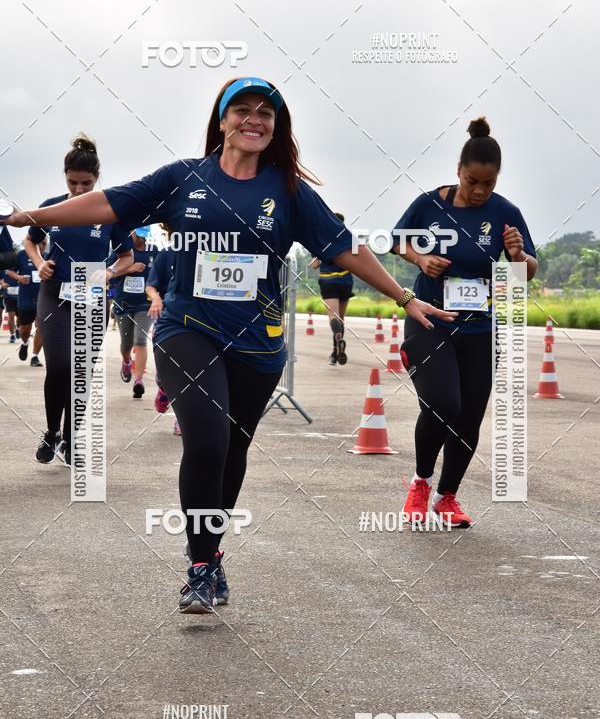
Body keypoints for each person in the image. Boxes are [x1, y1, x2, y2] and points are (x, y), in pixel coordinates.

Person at [5, 77, 456, 612]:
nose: (254, 120)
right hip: (186, 329)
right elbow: (107, 203)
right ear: (222, 122)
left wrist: (404, 296)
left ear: (276, 126)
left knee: (234, 449)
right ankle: (198, 568)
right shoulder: (182, 179)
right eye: (242, 110)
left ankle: (212, 554)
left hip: (258, 343)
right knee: (208, 439)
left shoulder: (288, 192)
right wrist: (30, 217)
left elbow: (345, 248)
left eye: (266, 113)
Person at [392, 117, 538, 528]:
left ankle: (447, 497)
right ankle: (420, 483)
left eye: (488, 184)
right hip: (429, 321)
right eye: (473, 181)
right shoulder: (429, 204)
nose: (479, 191)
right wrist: (421, 258)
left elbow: (528, 272)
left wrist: (516, 256)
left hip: (480, 328)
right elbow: (396, 240)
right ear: (459, 170)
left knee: (469, 416)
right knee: (442, 402)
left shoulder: (506, 213)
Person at [22, 134, 133, 466]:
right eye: (74, 183)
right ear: (65, 177)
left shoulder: (110, 212)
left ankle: (71, 439)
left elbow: (127, 256)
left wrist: (111, 272)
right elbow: (30, 241)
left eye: (87, 183)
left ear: (97, 178)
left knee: (80, 370)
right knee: (58, 365)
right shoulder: (51, 207)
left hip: (93, 296)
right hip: (54, 292)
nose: (80, 190)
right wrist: (40, 263)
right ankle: (51, 431)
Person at [109, 225, 158, 398]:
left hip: (145, 304)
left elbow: (160, 274)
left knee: (141, 339)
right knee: (126, 344)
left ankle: (139, 380)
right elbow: (108, 273)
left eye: (144, 235)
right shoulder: (120, 250)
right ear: (131, 232)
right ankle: (126, 361)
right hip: (123, 304)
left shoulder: (154, 251)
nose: (141, 238)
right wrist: (127, 269)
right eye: (138, 235)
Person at [309, 211, 354, 365]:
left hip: (328, 280)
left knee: (333, 316)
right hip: (346, 280)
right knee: (342, 317)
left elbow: (314, 264)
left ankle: (337, 342)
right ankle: (336, 353)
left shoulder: (321, 239)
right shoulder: (349, 238)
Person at [146, 224, 178, 431]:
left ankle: (182, 419)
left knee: (191, 371)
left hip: (199, 319)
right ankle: (163, 388)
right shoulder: (166, 254)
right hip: (167, 317)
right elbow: (151, 285)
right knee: (166, 373)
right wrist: (156, 299)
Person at [6, 241, 46, 364]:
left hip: (44, 298)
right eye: (40, 243)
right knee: (25, 329)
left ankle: (35, 356)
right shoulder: (22, 255)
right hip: (26, 298)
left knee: (41, 327)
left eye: (45, 243)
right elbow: (9, 271)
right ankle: (24, 343)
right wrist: (19, 278)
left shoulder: (49, 256)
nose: (42, 246)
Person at [1, 270, 19, 342]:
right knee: (11, 315)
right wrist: (2, 283)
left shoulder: (20, 265)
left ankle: (18, 328)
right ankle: (12, 335)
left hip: (21, 296)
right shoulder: (4, 267)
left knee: (20, 317)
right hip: (8, 296)